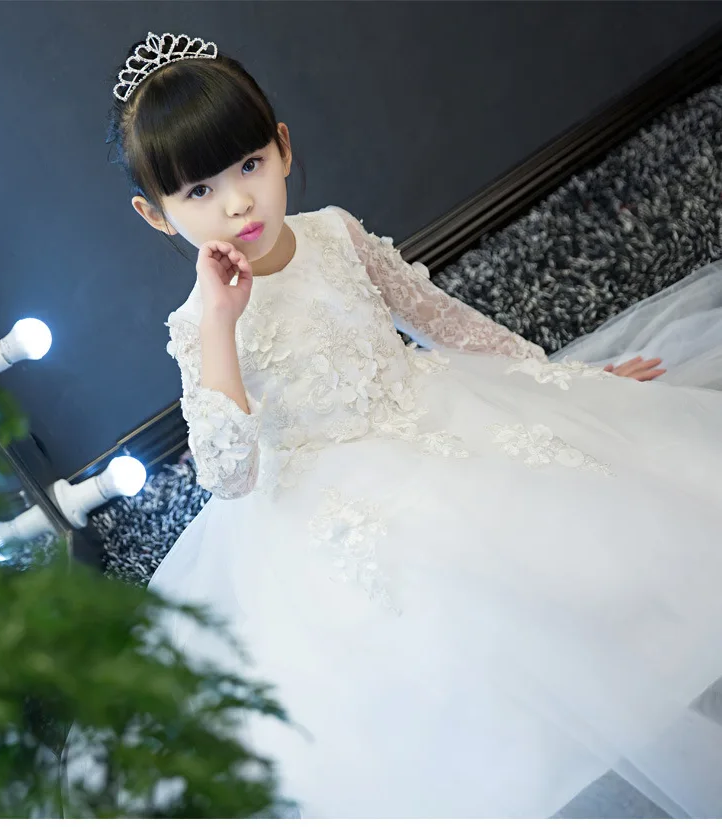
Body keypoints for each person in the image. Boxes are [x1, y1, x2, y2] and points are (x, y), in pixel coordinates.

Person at [107, 31, 722, 818]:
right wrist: (223, 324)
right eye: (198, 191)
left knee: (583, 528)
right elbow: (230, 474)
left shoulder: (333, 232)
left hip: (424, 409)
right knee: (438, 624)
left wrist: (562, 380)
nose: (235, 203)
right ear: (156, 215)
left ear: (283, 147)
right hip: (325, 495)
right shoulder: (200, 324)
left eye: (249, 166)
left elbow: (441, 321)